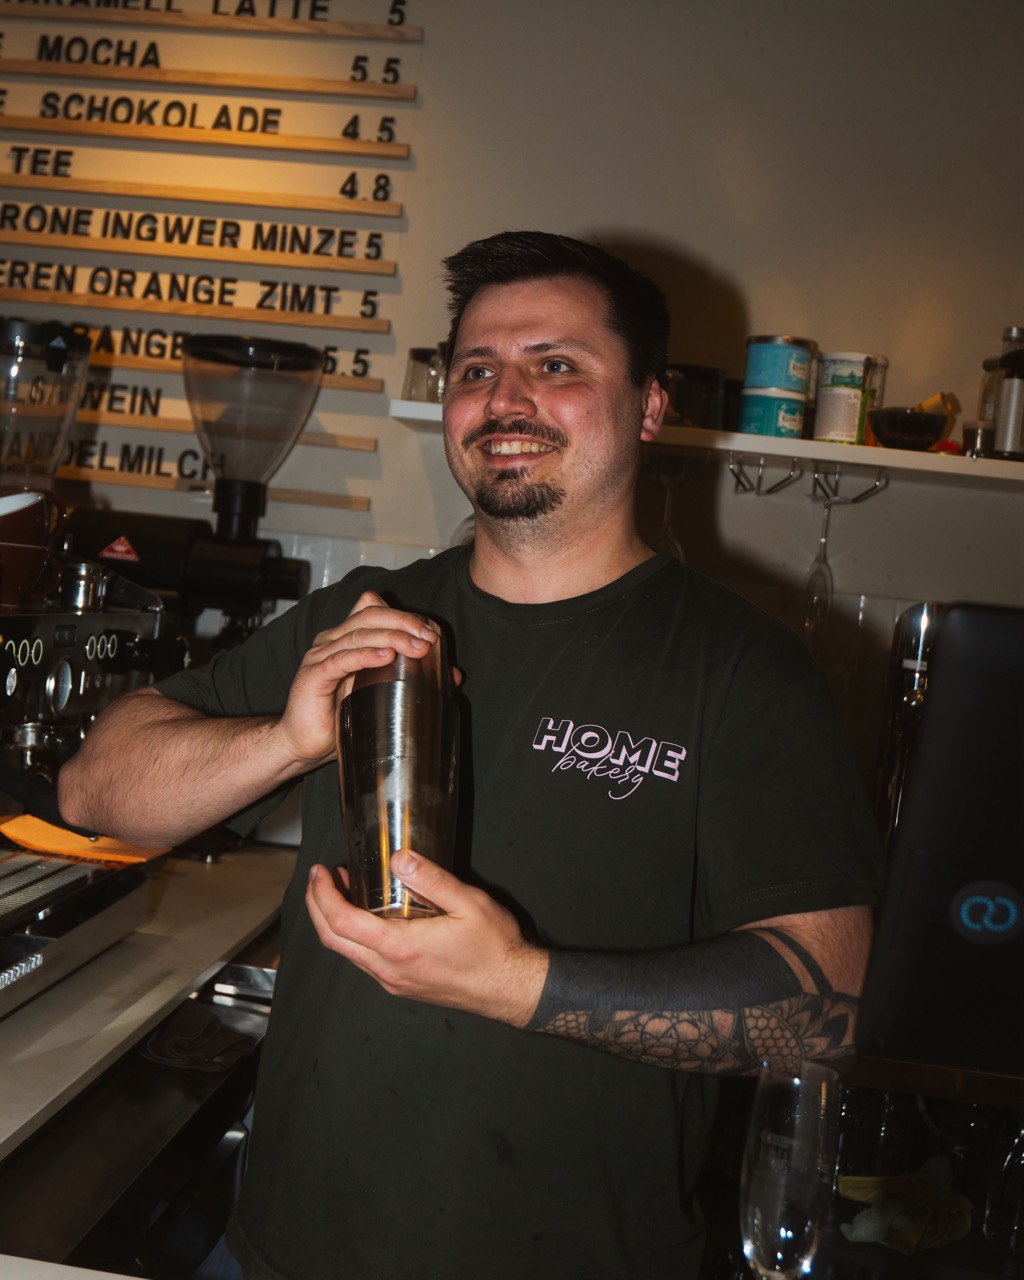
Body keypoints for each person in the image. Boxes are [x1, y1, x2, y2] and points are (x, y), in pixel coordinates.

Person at [59, 231, 883, 1280]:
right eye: (475, 370)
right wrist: (285, 736)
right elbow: (97, 789)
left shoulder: (740, 670)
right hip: (276, 1252)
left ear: (648, 405)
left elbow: (823, 1012)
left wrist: (517, 983)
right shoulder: (369, 611)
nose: (504, 398)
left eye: (557, 366)